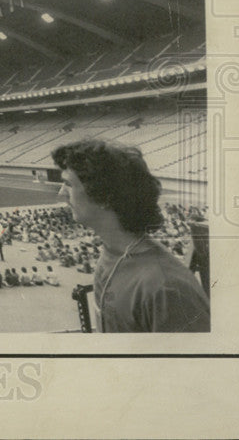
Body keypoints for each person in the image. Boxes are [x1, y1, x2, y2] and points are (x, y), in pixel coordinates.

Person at [52, 140, 210, 333]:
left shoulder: (165, 288)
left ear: (104, 196)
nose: (61, 193)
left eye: (69, 184)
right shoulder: (112, 255)